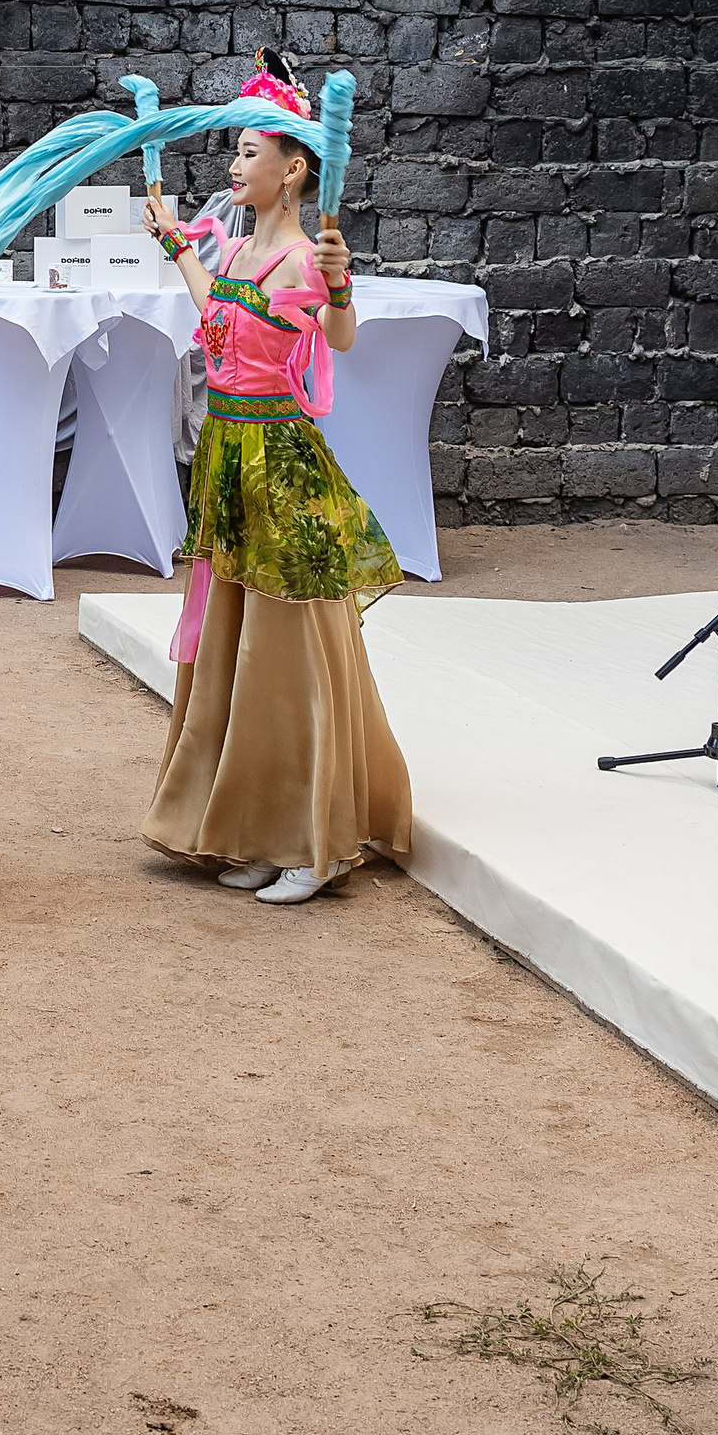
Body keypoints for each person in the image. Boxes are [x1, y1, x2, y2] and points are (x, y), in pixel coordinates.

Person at [140, 49, 410, 907]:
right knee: (237, 645)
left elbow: (338, 341)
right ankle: (253, 826)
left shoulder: (302, 260)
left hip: (279, 462)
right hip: (227, 453)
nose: (233, 164)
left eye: (250, 152)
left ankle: (313, 838)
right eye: (236, 152)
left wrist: (339, 290)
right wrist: (176, 240)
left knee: (286, 650)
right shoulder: (239, 253)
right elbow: (211, 310)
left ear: (294, 167)